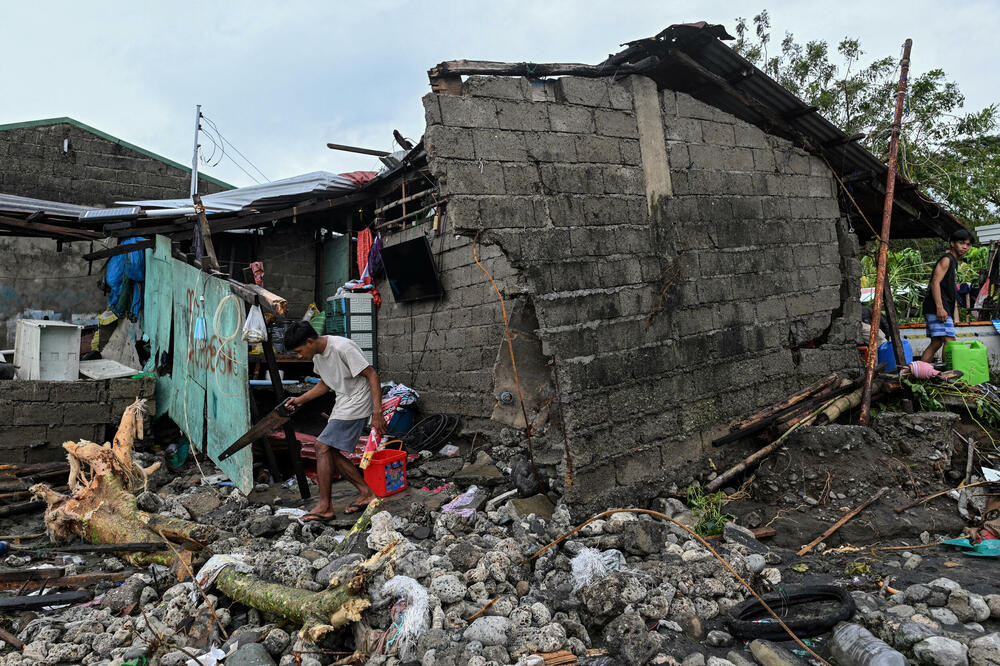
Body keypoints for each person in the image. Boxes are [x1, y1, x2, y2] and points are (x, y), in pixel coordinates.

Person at [283, 321, 385, 522]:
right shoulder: (318, 356)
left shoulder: (342, 347)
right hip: (343, 401)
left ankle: (325, 506)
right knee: (329, 451)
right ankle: (366, 492)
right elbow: (326, 383)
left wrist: (377, 412)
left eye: (299, 350)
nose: (300, 356)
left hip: (358, 400)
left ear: (310, 341)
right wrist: (300, 400)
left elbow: (372, 374)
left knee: (322, 446)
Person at [920, 229, 974, 363]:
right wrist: (940, 307)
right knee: (949, 341)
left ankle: (918, 374)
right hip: (937, 306)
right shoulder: (947, 259)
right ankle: (947, 376)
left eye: (968, 244)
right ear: (952, 243)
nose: (965, 247)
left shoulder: (953, 261)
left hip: (939, 306)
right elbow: (935, 283)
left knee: (937, 342)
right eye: (961, 243)